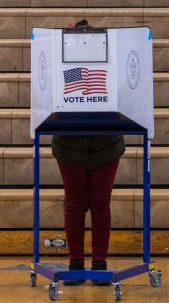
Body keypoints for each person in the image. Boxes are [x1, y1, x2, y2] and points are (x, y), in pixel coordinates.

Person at [51, 19, 125, 286]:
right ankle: (77, 262)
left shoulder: (110, 67)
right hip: (73, 145)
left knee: (97, 204)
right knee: (78, 204)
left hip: (104, 144)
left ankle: (98, 262)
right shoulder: (65, 68)